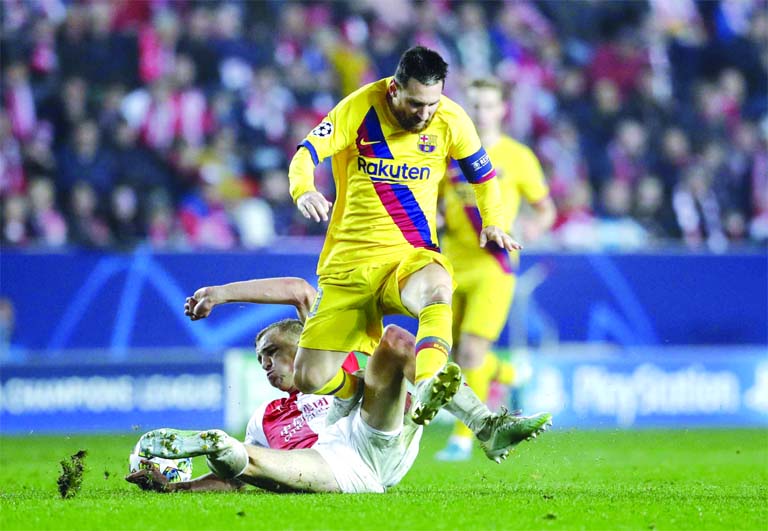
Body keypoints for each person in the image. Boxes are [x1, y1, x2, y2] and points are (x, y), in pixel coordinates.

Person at [126, 278, 552, 494]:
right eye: (259, 362)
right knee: (237, 452)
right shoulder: (266, 417)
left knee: (397, 343)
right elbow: (236, 480)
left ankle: (474, 419)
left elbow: (297, 289)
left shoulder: (331, 350)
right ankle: (211, 443)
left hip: (373, 431)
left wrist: (220, 293)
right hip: (330, 463)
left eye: (272, 352)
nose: (266, 366)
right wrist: (179, 488)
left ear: (300, 339)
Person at [287, 46, 520, 426]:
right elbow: (306, 153)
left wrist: (494, 220)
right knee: (309, 377)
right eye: (415, 104)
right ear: (394, 89)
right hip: (350, 266)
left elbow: (484, 178)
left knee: (437, 289)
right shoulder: (360, 107)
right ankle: (369, 390)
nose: (425, 114)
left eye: (432, 103)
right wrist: (305, 190)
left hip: (409, 258)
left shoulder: (452, 118)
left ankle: (428, 382)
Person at [437, 78, 556, 461]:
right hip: (451, 263)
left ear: (502, 109)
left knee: (471, 353)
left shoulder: (518, 157)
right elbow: (433, 203)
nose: (481, 112)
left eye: (488, 105)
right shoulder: (448, 155)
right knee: (451, 358)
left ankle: (462, 437)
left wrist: (533, 228)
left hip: (494, 266)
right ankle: (507, 374)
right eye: (475, 104)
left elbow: (546, 208)